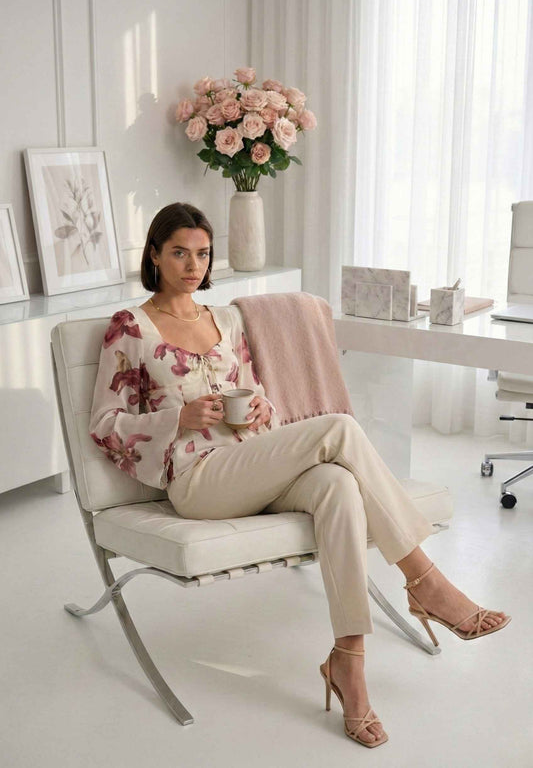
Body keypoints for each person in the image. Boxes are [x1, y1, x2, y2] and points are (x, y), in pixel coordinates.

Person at [89, 202, 511, 749]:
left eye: (203, 254)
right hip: (198, 480)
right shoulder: (129, 327)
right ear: (153, 255)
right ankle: (425, 582)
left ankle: (348, 664)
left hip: (251, 461)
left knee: (338, 486)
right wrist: (177, 418)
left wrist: (260, 409)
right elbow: (105, 426)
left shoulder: (224, 320)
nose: (193, 266)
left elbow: (258, 396)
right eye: (179, 253)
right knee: (337, 428)